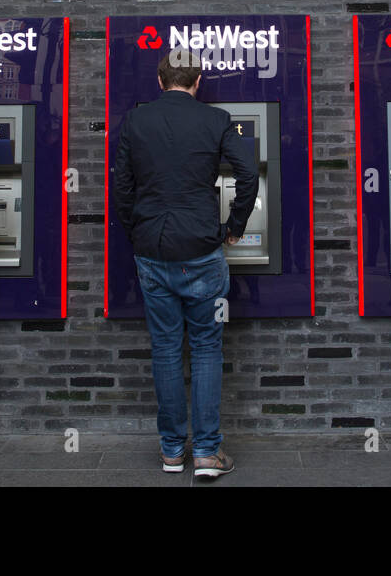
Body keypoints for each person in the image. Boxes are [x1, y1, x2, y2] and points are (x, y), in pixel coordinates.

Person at [113, 49, 257, 479]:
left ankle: (173, 451)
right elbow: (248, 174)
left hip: (153, 252)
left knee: (165, 349)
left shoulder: (137, 120)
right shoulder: (215, 119)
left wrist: (136, 231)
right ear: (198, 81)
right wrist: (234, 225)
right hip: (202, 250)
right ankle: (208, 454)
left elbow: (122, 186)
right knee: (208, 347)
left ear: (160, 81)